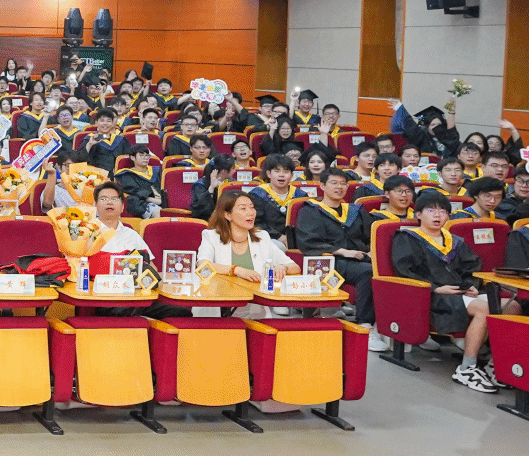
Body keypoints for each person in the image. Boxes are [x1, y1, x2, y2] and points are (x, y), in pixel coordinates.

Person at [389, 193, 496, 393]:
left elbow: (472, 267)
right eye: (431, 210)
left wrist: (471, 285)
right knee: (485, 308)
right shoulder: (407, 238)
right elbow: (404, 271)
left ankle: (494, 364)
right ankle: (467, 368)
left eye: (443, 211)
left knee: (509, 306)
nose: (437, 215)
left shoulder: (455, 241)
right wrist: (435, 288)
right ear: (418, 214)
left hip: (460, 293)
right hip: (431, 297)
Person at [295, 168, 378, 344]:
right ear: (322, 186)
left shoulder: (355, 211)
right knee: (367, 272)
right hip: (328, 260)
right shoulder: (310, 210)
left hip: (358, 257)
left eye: (343, 184)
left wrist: (372, 250)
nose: (339, 187)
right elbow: (308, 242)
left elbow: (371, 235)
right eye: (334, 183)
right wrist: (340, 251)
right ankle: (365, 325)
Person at [196, 191, 296, 305]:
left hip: (256, 306)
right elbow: (203, 266)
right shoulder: (211, 236)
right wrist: (236, 270)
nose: (250, 213)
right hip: (221, 303)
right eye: (243, 208)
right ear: (227, 215)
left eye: (252, 207)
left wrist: (283, 267)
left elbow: (294, 267)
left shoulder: (262, 237)